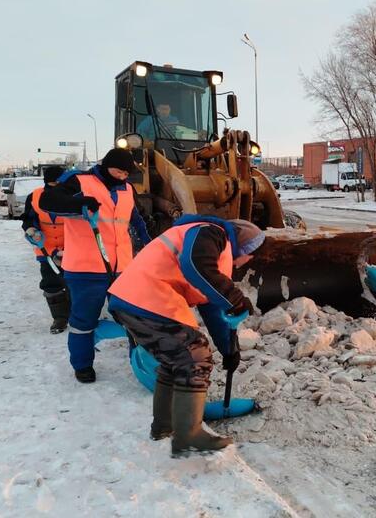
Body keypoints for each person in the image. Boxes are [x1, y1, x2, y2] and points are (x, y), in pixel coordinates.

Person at [107, 216, 265, 455]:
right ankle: (188, 435)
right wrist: (234, 297)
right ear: (244, 247)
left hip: (137, 299)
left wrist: (229, 350)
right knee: (195, 355)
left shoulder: (213, 251)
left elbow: (212, 309)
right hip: (145, 299)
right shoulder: (211, 232)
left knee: (176, 360)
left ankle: (163, 426)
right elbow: (194, 265)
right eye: (250, 255)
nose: (245, 262)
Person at [39, 148, 152, 383]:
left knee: (131, 317)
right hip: (85, 269)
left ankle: (138, 359)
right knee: (83, 321)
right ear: (106, 166)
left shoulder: (128, 189)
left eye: (126, 173)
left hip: (121, 269)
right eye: (118, 171)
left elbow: (136, 220)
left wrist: (148, 245)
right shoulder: (79, 180)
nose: (122, 176)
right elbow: (48, 200)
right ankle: (82, 366)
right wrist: (77, 203)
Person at [21, 165, 69, 334]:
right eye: (51, 184)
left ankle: (79, 316)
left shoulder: (74, 196)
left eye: (58, 184)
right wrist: (31, 230)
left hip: (73, 248)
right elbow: (28, 219)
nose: (54, 188)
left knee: (74, 282)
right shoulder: (34, 197)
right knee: (51, 284)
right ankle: (60, 318)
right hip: (46, 249)